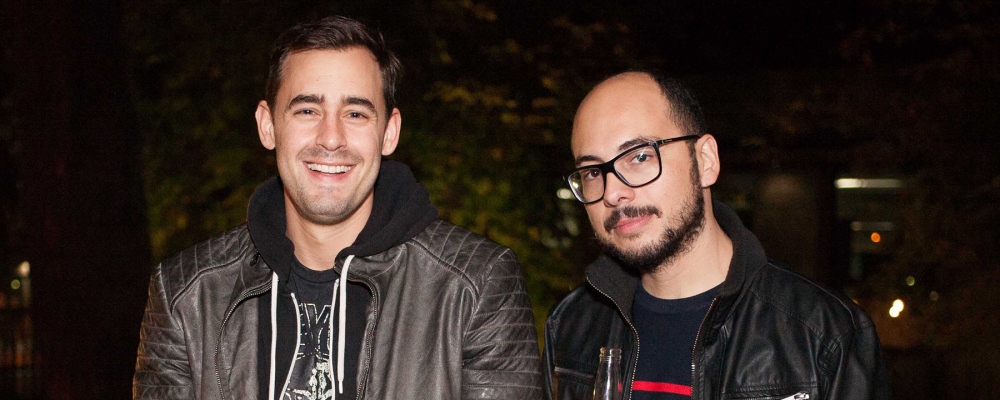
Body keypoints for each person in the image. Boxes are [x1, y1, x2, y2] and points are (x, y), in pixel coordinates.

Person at [133, 16, 543, 400]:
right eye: (307, 110)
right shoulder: (185, 294)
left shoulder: (477, 284)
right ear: (268, 125)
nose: (331, 138)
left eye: (355, 113)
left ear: (389, 132)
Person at [543, 71, 890, 399]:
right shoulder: (570, 327)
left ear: (705, 160)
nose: (613, 193)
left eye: (640, 156)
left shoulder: (824, 335)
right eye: (592, 173)